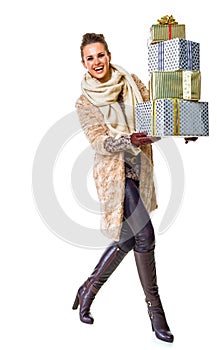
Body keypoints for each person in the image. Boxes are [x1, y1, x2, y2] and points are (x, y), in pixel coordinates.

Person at [72, 32, 197, 343]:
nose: (96, 62)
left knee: (129, 239)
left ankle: (89, 288)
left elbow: (156, 112)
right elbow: (99, 142)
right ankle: (156, 312)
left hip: (140, 168)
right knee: (145, 235)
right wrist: (129, 139)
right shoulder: (84, 101)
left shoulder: (131, 81)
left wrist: (186, 126)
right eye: (90, 57)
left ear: (109, 55)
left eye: (100, 55)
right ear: (83, 63)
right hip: (114, 175)